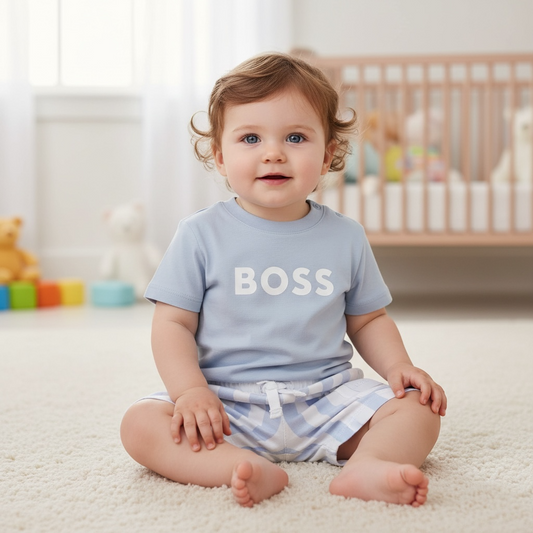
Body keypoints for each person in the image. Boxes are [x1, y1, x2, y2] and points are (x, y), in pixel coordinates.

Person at [120, 52, 447, 508]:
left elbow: (369, 319)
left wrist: (398, 368)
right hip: (226, 405)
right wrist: (191, 392)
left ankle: (369, 464)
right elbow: (172, 323)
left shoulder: (346, 236)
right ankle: (235, 466)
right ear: (220, 156)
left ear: (327, 155)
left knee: (419, 409)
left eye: (295, 137)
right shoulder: (199, 234)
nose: (273, 152)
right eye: (250, 138)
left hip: (326, 398)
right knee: (140, 423)